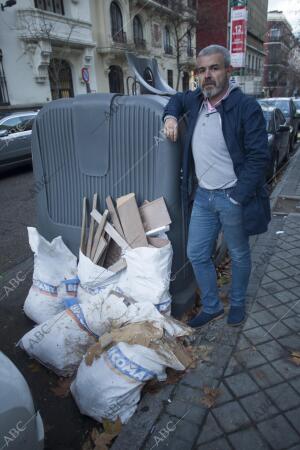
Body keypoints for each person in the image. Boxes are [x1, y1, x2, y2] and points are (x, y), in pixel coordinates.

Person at [163, 45, 270, 328]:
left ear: (228, 71)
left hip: (233, 197)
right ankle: (212, 306)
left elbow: (260, 157)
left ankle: (237, 303)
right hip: (204, 197)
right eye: (201, 70)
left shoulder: (246, 107)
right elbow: (175, 99)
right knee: (196, 253)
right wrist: (170, 117)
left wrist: (237, 197)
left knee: (238, 254)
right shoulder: (196, 100)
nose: (207, 75)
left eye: (214, 68)